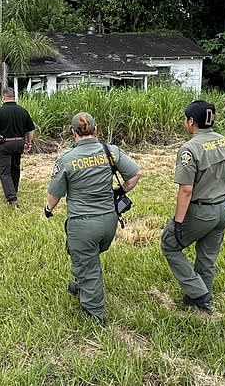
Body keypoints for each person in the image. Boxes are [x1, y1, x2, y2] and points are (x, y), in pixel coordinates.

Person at [45, 112, 142, 323]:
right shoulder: (110, 151)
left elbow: (55, 194)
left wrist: (48, 209)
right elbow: (135, 174)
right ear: (96, 130)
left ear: (73, 133)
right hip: (109, 221)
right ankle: (82, 284)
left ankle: (95, 316)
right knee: (86, 258)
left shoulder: (66, 159)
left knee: (87, 263)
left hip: (83, 224)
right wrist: (120, 191)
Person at [160, 100, 225, 315]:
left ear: (191, 121)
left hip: (202, 211)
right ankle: (202, 303)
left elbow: (186, 190)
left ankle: (199, 292)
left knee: (170, 245)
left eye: (185, 119)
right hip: (224, 209)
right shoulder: (224, 142)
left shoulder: (189, 149)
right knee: (207, 257)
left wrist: (178, 221)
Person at [0, 87, 35, 206]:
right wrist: (29, 143)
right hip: (19, 143)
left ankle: (12, 198)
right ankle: (13, 190)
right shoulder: (23, 111)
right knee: (15, 168)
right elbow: (31, 129)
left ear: (3, 98)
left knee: (5, 171)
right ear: (14, 97)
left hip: (4, 145)